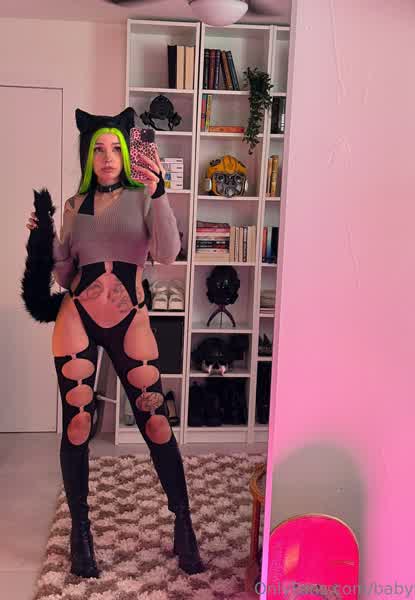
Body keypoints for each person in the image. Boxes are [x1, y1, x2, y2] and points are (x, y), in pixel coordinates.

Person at [25, 107, 206, 578]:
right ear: (88, 155)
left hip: (130, 317)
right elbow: (65, 273)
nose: (107, 157)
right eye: (98, 149)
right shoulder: (74, 205)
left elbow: (167, 253)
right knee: (77, 425)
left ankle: (183, 523)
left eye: (115, 149)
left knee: (156, 423)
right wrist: (46, 243)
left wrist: (160, 193)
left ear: (127, 154)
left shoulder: (143, 197)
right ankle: (80, 533)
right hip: (78, 315)